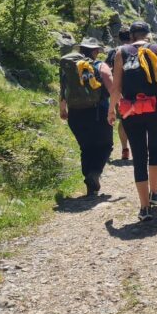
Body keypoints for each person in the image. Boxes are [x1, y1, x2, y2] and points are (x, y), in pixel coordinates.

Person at [108, 21, 157, 221]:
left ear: (131, 36)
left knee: (139, 155)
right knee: (155, 149)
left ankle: (144, 207)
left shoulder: (121, 52)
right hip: (156, 109)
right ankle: (154, 192)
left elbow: (116, 86)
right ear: (148, 34)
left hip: (131, 112)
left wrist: (111, 110)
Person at [59, 37, 113, 197]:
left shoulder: (68, 67)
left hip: (75, 113)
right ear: (95, 51)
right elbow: (111, 88)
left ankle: (90, 183)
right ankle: (94, 174)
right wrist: (117, 106)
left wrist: (63, 109)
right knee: (105, 145)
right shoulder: (100, 65)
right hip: (98, 112)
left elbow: (63, 88)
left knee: (86, 148)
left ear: (81, 49)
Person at [105, 29, 132, 161]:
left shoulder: (113, 52)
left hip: (119, 92)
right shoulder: (136, 50)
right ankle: (140, 148)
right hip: (137, 91)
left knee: (123, 120)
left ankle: (125, 149)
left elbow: (107, 71)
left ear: (119, 39)